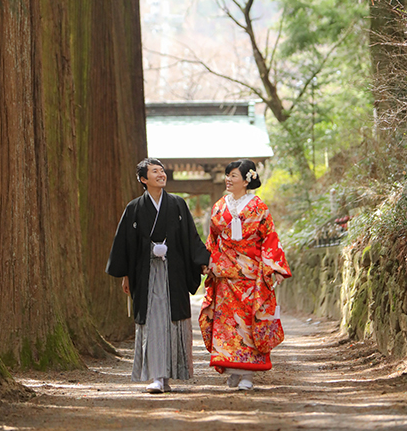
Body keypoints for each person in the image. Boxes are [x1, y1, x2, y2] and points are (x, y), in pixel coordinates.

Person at [106, 157, 210, 394]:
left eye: (162, 170)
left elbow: (190, 237)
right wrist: (126, 275)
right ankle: (156, 376)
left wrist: (202, 261)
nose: (161, 174)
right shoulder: (134, 208)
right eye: (155, 171)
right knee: (152, 323)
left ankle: (167, 376)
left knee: (171, 322)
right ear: (144, 179)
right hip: (146, 273)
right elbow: (125, 244)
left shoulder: (177, 204)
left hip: (172, 273)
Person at [199, 158, 291, 391]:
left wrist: (276, 268)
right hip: (224, 274)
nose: (228, 179)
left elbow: (270, 237)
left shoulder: (259, 207)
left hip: (251, 275)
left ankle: (248, 374)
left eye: (233, 176)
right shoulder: (220, 205)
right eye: (227, 175)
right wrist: (207, 261)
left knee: (249, 324)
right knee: (227, 325)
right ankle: (231, 367)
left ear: (246, 180)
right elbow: (213, 239)